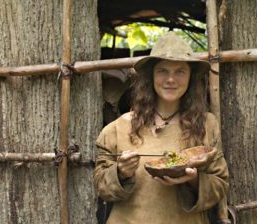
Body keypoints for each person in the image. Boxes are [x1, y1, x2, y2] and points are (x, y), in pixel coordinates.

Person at [93, 32, 229, 224]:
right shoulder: (118, 129)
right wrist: (120, 172)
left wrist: (193, 180)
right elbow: (101, 188)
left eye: (180, 71)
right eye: (163, 71)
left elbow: (220, 184)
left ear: (191, 77)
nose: (171, 79)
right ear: (151, 76)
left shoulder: (207, 125)